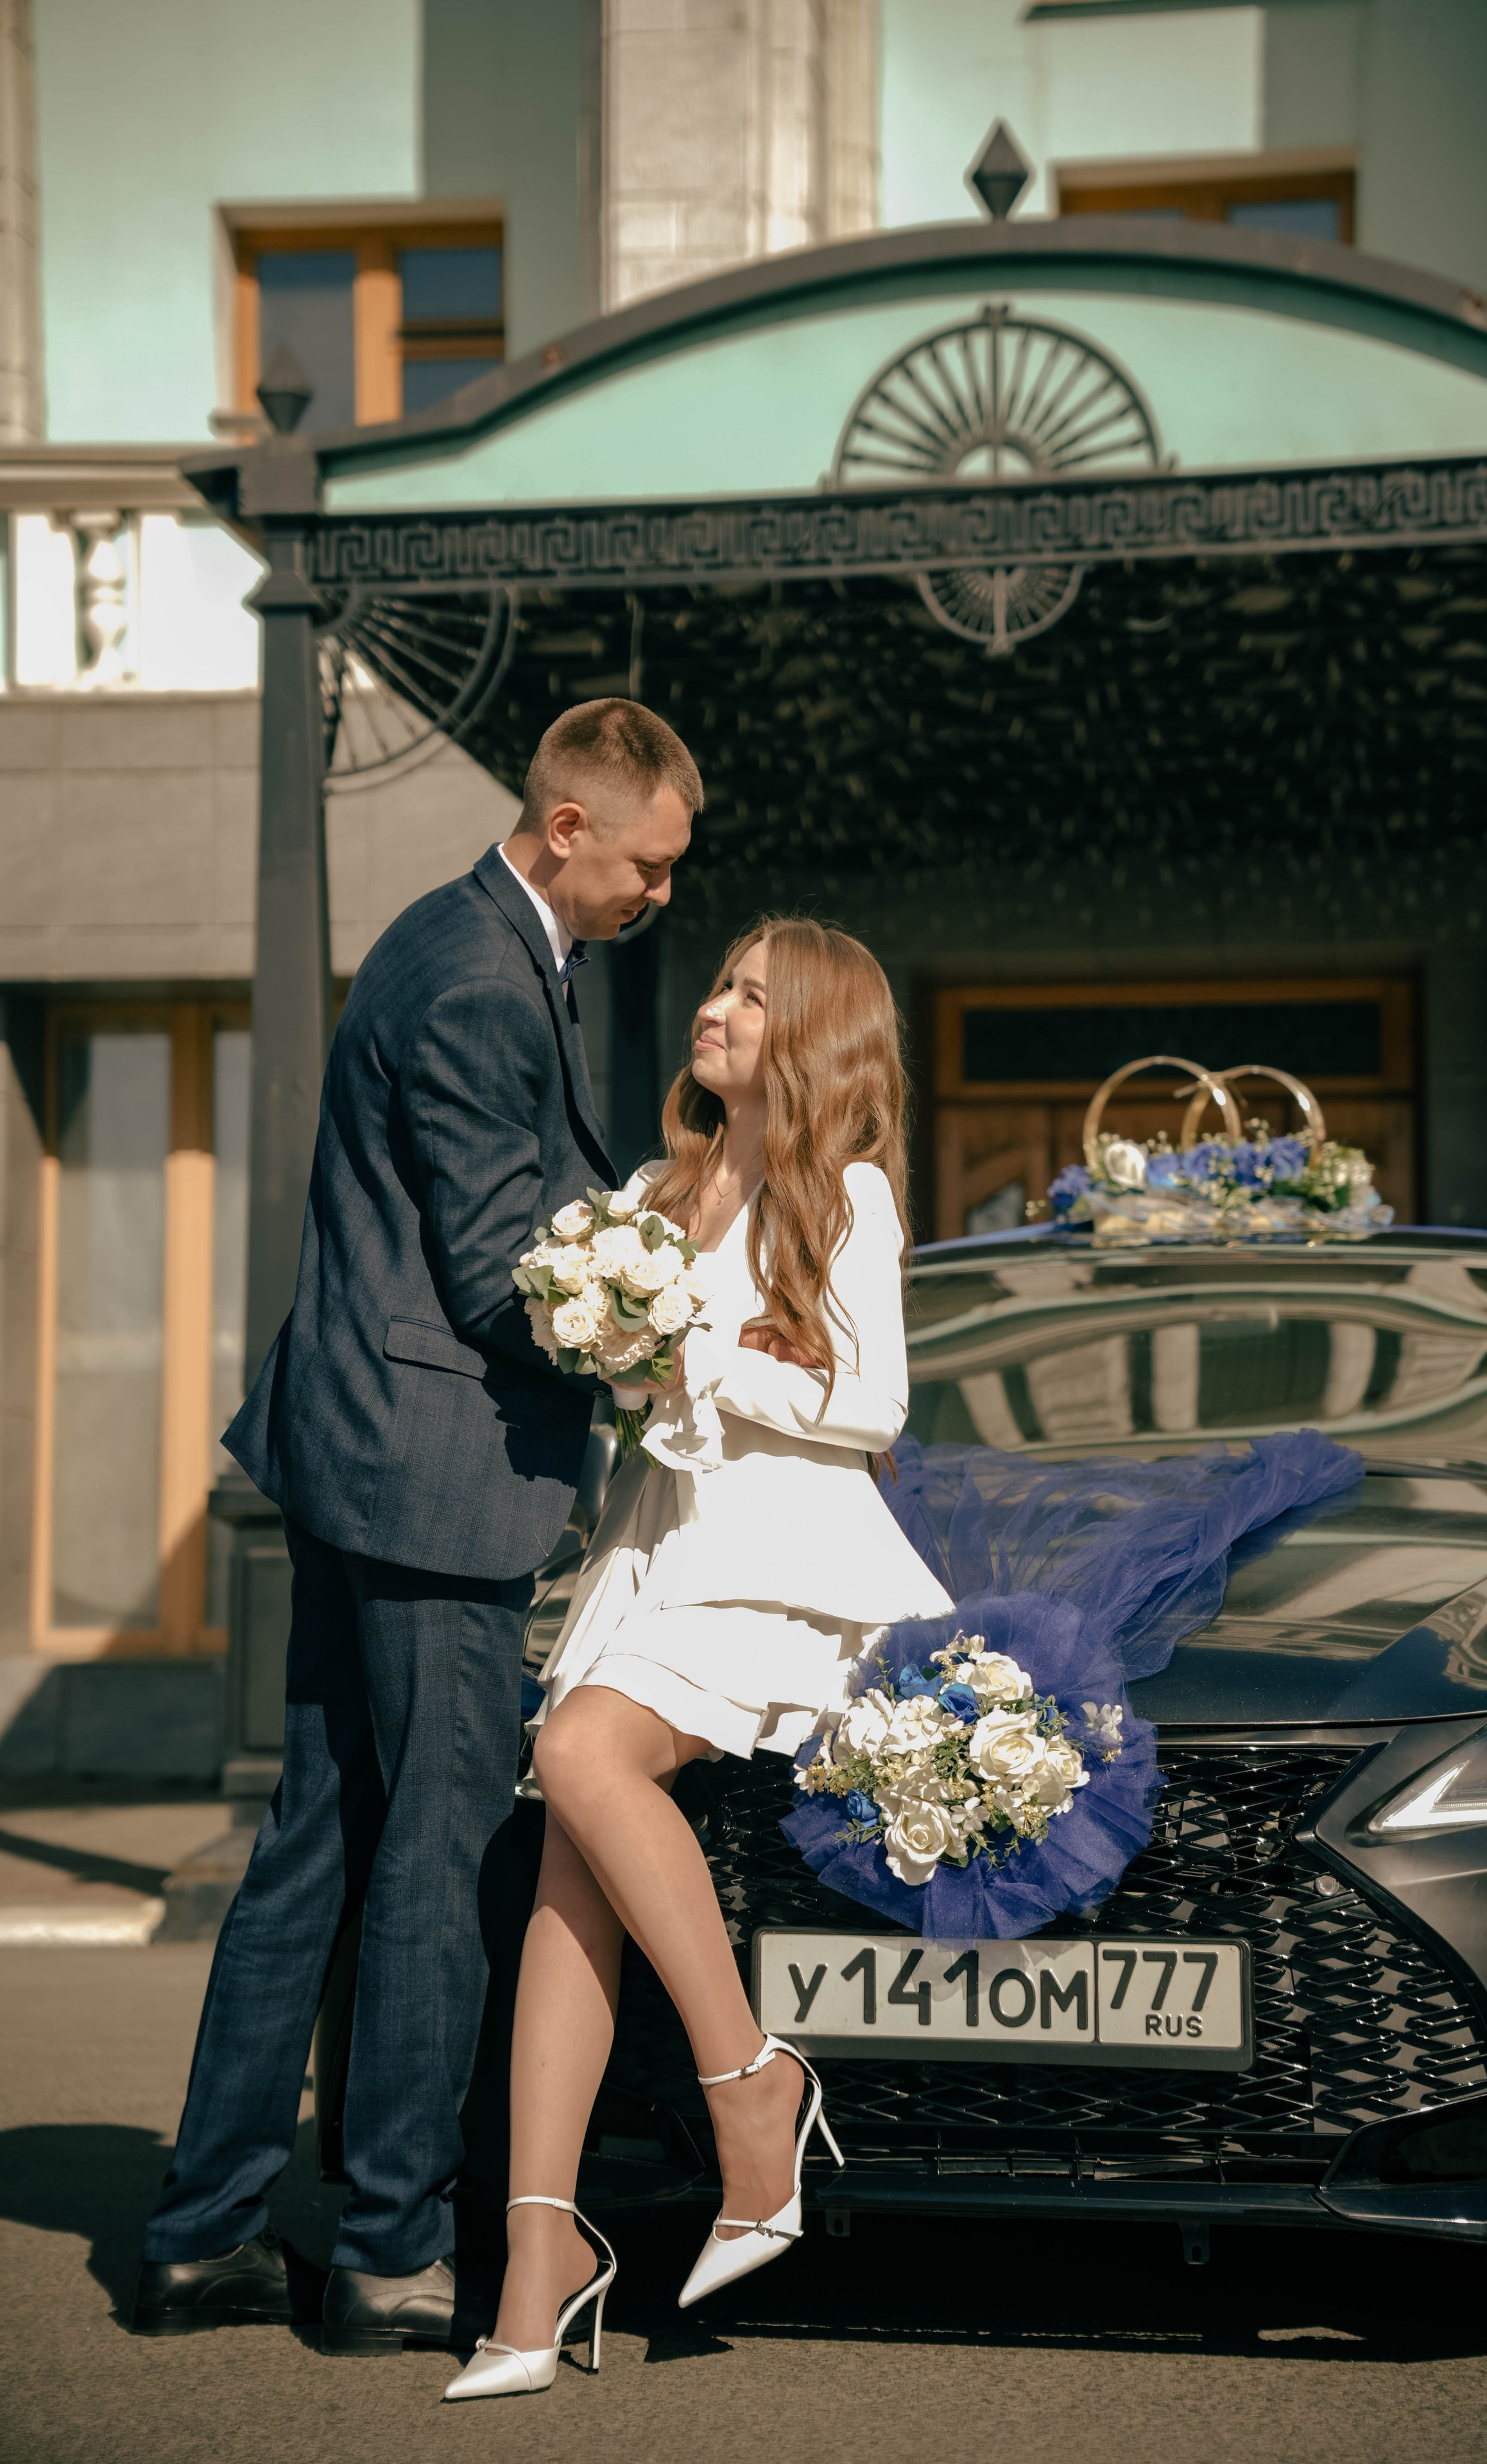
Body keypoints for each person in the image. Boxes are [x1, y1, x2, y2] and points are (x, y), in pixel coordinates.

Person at [134, 699, 700, 2357]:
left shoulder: (471, 941)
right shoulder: (473, 972)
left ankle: (200, 2235)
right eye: (653, 865)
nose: (664, 894)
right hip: (432, 1480)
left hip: (358, 1455)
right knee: (432, 1867)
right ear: (571, 824)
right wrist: (653, 1328)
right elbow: (495, 1269)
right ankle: (387, 2251)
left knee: (315, 1847)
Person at [443, 918, 953, 2404]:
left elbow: (872, 1406)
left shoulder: (842, 1193)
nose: (715, 1008)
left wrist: (689, 1353)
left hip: (773, 1554)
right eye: (718, 983)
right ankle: (540, 2264)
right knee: (564, 1880)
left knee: (580, 1755)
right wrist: (602, 1332)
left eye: (749, 993)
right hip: (652, 1539)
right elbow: (635, 1371)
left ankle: (752, 2087)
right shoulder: (657, 1190)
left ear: (810, 1036)